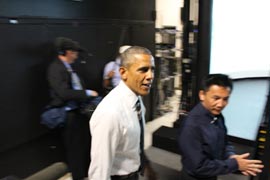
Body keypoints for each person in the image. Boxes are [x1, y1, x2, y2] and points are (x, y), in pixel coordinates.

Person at [88, 46, 157, 180]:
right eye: (143, 70)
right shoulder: (110, 113)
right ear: (123, 73)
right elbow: (99, 172)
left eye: (152, 69)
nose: (150, 76)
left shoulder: (136, 99)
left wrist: (146, 165)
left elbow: (134, 143)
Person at [178, 74, 264, 180]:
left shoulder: (217, 116)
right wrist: (234, 164)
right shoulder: (191, 125)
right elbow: (198, 167)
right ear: (202, 95)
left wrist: (231, 156)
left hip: (212, 174)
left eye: (225, 99)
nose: (220, 104)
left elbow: (224, 142)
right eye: (216, 98)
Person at [47, 37, 99, 180]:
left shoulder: (68, 67)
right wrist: (87, 93)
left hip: (80, 111)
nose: (76, 55)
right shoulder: (55, 68)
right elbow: (63, 93)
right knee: (75, 148)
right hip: (69, 114)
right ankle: (79, 176)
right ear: (67, 52)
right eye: (74, 52)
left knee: (85, 143)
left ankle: (89, 172)